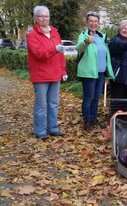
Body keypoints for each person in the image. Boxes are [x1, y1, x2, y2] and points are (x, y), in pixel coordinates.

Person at [27, 5, 67, 140]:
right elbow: (39, 54)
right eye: (41, 16)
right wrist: (54, 49)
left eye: (46, 16)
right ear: (35, 18)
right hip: (40, 76)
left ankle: (53, 128)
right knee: (41, 104)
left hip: (55, 74)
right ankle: (39, 130)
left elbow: (60, 54)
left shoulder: (55, 32)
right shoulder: (32, 35)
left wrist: (63, 70)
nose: (44, 18)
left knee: (54, 103)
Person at [76, 11, 115, 131]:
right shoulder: (83, 35)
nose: (93, 23)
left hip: (101, 72)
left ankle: (93, 119)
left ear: (98, 23)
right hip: (88, 72)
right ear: (86, 22)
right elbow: (78, 48)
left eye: (95, 21)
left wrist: (108, 74)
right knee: (88, 97)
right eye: (91, 21)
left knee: (96, 97)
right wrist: (86, 42)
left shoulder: (102, 36)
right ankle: (87, 122)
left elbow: (106, 54)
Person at [109, 20, 127, 100]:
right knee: (118, 101)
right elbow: (121, 45)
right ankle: (115, 113)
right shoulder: (115, 40)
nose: (126, 31)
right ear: (119, 29)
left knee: (126, 103)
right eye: (124, 28)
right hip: (119, 78)